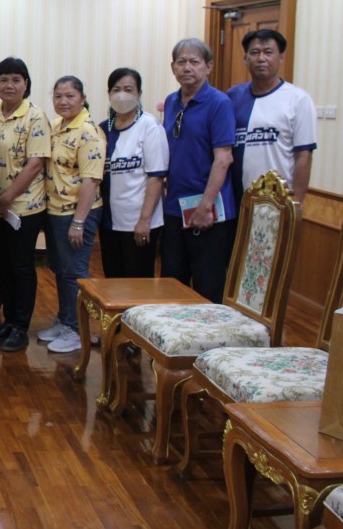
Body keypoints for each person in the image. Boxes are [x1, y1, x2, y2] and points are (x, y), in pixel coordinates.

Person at [161, 38, 237, 303]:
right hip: (174, 208)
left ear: (208, 66)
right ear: (173, 67)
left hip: (208, 211)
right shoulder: (171, 101)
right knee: (172, 285)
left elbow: (223, 159)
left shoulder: (219, 103)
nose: (187, 68)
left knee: (208, 288)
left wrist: (206, 206)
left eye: (194, 62)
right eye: (181, 62)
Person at [0, 58, 50, 353]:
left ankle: (21, 326)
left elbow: (35, 164)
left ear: (26, 84)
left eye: (16, 79)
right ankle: (8, 321)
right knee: (2, 264)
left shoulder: (35, 117)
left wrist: (7, 197)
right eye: (3, 79)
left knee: (22, 266)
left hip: (23, 207)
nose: (9, 85)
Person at [38, 76, 106, 354]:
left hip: (77, 213)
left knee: (75, 273)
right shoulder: (56, 127)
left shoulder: (89, 132)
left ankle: (79, 331)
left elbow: (91, 181)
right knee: (61, 269)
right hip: (54, 210)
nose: (63, 101)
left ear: (83, 98)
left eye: (70, 96)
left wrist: (78, 222)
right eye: (58, 96)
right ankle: (65, 321)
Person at [227, 29, 316, 204]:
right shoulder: (232, 97)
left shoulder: (298, 99)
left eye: (268, 52)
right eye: (254, 52)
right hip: (233, 200)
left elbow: (303, 156)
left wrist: (296, 204)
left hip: (276, 203)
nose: (261, 58)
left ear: (281, 58)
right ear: (245, 59)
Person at [98, 68, 169, 278]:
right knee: (113, 281)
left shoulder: (150, 126)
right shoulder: (103, 129)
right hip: (110, 222)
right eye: (116, 89)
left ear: (139, 93)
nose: (122, 95)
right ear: (109, 94)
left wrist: (144, 220)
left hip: (139, 222)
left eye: (128, 89)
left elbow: (156, 177)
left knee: (138, 284)